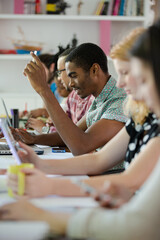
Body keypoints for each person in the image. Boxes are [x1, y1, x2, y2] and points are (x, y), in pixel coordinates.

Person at [1, 20, 160, 240]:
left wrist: (49, 188)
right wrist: (40, 163)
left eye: (131, 74)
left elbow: (82, 146)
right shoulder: (141, 115)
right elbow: (97, 157)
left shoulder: (120, 104)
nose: (121, 83)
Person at [12, 43, 127, 157]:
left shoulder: (118, 102)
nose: (71, 84)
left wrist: (44, 90)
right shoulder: (100, 100)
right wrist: (33, 139)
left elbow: (81, 146)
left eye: (74, 76)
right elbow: (70, 136)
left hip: (110, 174)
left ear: (94, 70)